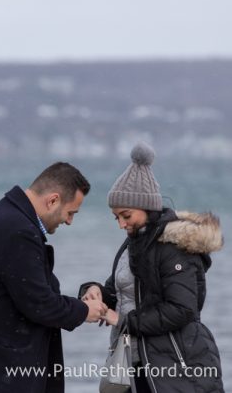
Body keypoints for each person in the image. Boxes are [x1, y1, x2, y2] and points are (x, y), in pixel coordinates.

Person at [0, 162, 107, 393]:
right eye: (70, 213)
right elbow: (40, 304)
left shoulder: (0, 216)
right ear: (53, 200)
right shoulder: (18, 230)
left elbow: (28, 292)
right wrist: (85, 311)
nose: (69, 221)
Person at [80, 142, 224, 392]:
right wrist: (97, 292)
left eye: (126, 215)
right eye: (117, 217)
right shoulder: (134, 244)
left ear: (147, 207)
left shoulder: (174, 246)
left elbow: (182, 309)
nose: (121, 224)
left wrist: (125, 321)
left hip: (174, 363)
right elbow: (123, 292)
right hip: (131, 361)